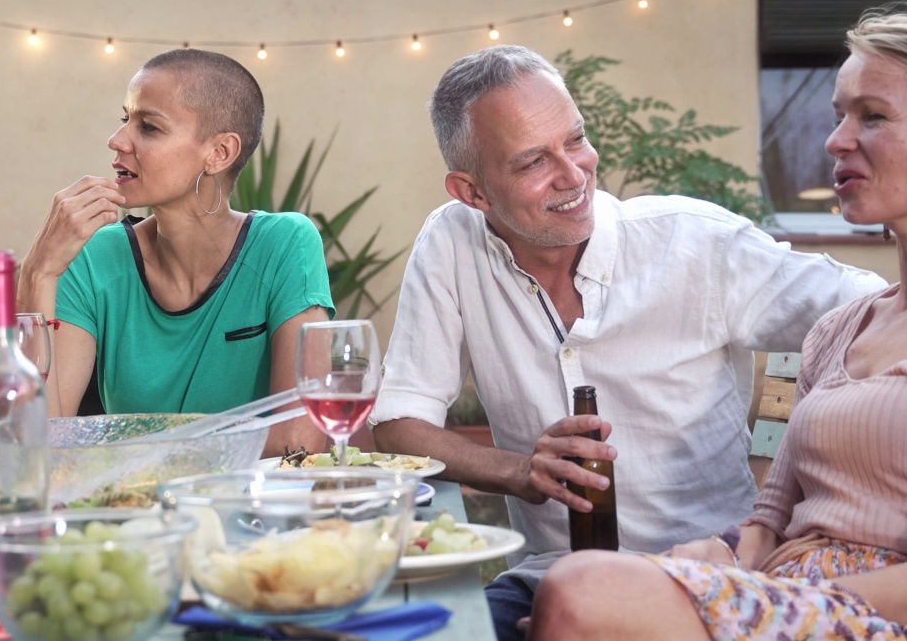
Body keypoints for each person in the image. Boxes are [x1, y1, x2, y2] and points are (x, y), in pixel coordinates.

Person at [368, 44, 886, 641]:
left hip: (706, 583)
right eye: (533, 162)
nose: (574, 174)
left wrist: (784, 446)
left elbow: (878, 309)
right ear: (473, 193)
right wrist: (519, 471)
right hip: (551, 576)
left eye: (575, 139)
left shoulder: (696, 243)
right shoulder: (452, 244)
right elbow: (399, 422)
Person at [528, 4, 907, 641]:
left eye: (873, 116)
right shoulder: (840, 328)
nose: (836, 140)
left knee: (577, 592)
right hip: (788, 592)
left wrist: (757, 597)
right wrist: (718, 560)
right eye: (838, 113)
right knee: (551, 588)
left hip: (869, 609)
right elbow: (770, 517)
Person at [18, 48, 333, 455]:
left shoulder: (285, 243)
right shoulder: (96, 255)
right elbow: (40, 447)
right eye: (125, 120)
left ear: (219, 153)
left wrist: (131, 453)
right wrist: (38, 274)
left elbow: (300, 440)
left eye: (148, 127)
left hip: (253, 513)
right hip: (131, 517)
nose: (116, 141)